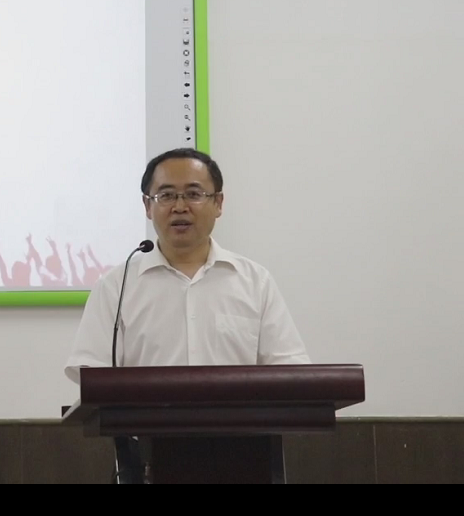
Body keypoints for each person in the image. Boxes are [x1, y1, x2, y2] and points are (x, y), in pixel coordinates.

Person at [65, 148, 310, 384]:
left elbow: (290, 370)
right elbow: (92, 374)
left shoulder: (255, 282)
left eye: (194, 194)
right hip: (146, 415)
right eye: (166, 196)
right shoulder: (116, 287)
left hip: (233, 415)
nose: (180, 207)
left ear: (218, 203)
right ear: (148, 206)